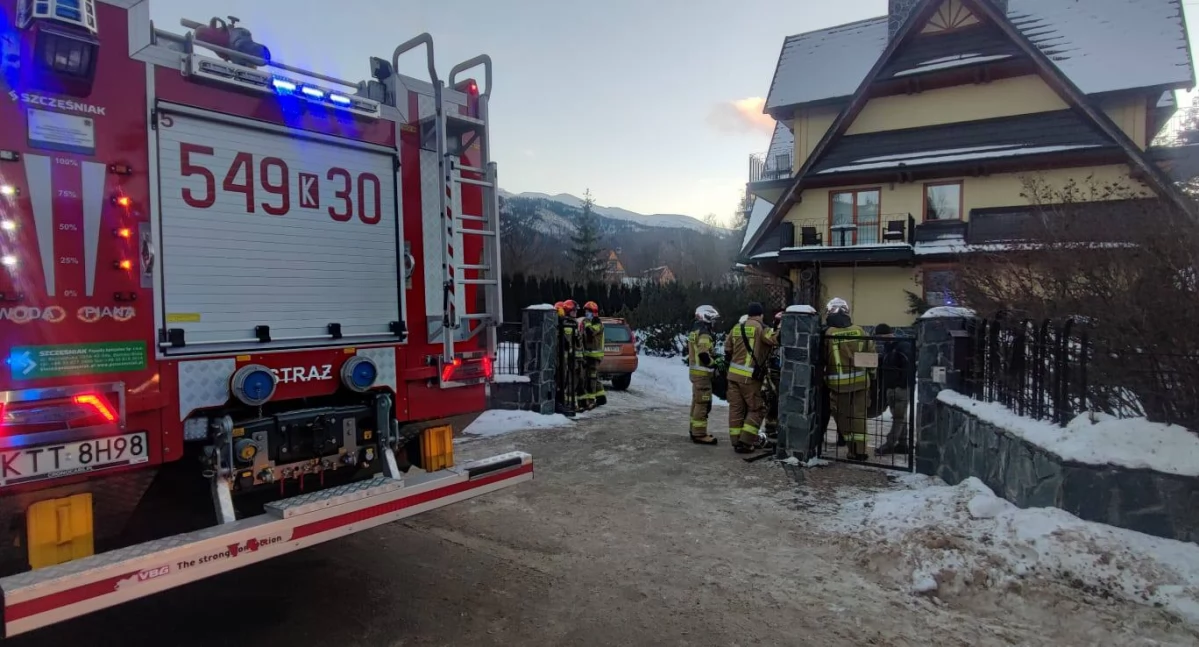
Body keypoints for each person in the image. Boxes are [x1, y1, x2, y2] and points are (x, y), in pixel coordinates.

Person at [823, 298, 875, 461]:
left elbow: (823, 358)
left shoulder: (828, 333)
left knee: (842, 417)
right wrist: (871, 376)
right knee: (859, 416)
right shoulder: (860, 331)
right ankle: (860, 451)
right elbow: (871, 355)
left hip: (838, 384)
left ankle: (851, 448)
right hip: (861, 381)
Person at [724, 302, 778, 453]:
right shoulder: (760, 328)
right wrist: (780, 328)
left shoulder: (736, 327)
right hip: (750, 378)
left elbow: (727, 349)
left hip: (733, 375)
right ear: (761, 314)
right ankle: (746, 442)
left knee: (736, 409)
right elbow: (774, 340)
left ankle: (736, 441)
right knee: (757, 408)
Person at [873, 323, 914, 456]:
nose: (878, 340)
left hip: (900, 388)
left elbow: (908, 366)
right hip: (892, 387)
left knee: (898, 417)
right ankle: (902, 444)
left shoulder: (902, 346)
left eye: (879, 336)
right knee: (899, 416)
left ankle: (889, 444)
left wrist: (901, 384)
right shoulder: (889, 347)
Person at [686, 305, 721, 446]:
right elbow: (703, 354)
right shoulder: (704, 333)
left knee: (696, 402)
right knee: (703, 403)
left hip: (695, 374)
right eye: (713, 320)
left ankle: (693, 429)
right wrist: (714, 363)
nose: (714, 323)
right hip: (702, 375)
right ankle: (699, 434)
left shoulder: (694, 329)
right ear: (706, 317)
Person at [555, 300, 581, 415]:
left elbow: (577, 342)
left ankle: (569, 403)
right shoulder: (566, 323)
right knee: (563, 380)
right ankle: (563, 403)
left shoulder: (573, 323)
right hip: (563, 358)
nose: (576, 312)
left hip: (571, 357)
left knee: (571, 381)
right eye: (574, 310)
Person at [580, 301, 607, 409]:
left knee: (591, 377)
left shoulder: (598, 324)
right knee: (591, 377)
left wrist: (586, 323)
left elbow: (590, 332)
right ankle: (601, 398)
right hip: (587, 355)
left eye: (588, 311)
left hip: (595, 356)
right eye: (586, 311)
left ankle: (591, 400)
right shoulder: (589, 322)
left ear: (594, 312)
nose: (586, 313)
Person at [762, 311, 784, 439]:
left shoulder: (790, 336)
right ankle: (770, 428)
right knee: (772, 401)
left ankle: (780, 428)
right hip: (772, 372)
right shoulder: (770, 333)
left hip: (784, 373)